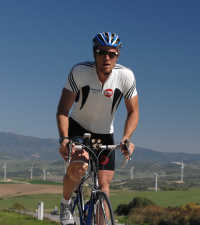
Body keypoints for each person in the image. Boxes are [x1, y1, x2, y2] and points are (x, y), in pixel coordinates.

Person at [56, 32, 139, 225]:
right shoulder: (80, 72)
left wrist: (126, 138)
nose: (106, 58)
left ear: (118, 55)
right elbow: (63, 109)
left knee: (104, 185)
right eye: (101, 52)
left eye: (112, 53)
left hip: (105, 134)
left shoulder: (126, 76)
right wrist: (65, 139)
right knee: (78, 167)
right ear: (94, 53)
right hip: (79, 128)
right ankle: (66, 203)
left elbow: (133, 111)